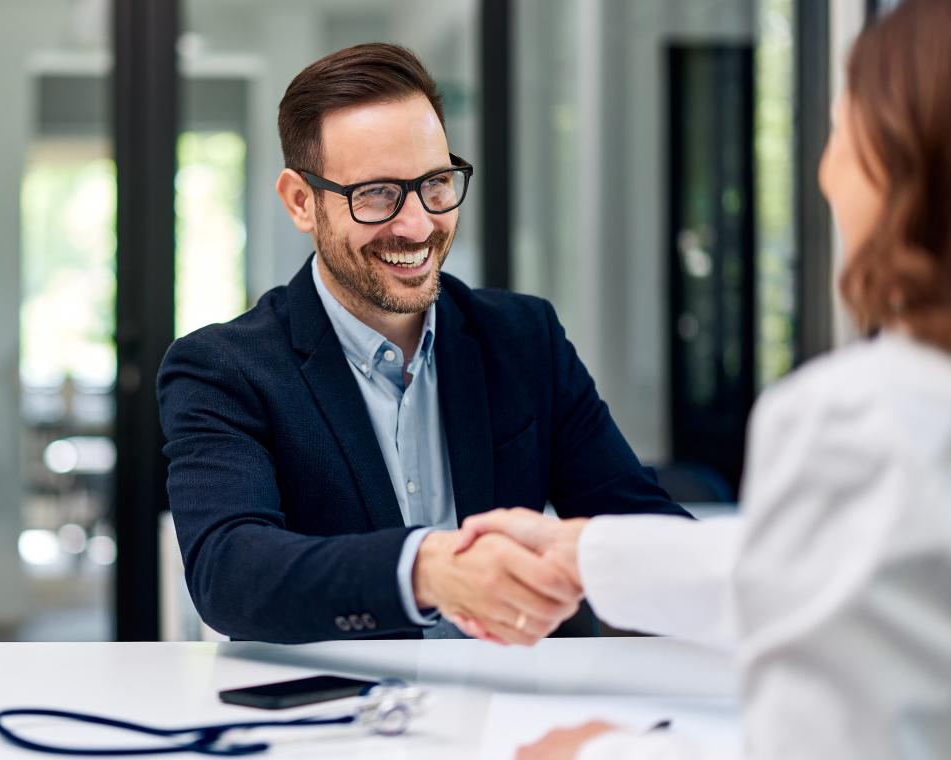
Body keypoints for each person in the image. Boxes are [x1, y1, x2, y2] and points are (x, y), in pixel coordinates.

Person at [457, 1, 951, 756]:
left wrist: (597, 751)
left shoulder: (857, 417)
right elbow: (841, 571)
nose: (823, 172)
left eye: (841, 134)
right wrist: (577, 553)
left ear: (902, 168)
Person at [156, 43, 687, 645]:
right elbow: (231, 575)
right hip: (347, 725)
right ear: (302, 201)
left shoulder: (523, 339)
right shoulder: (223, 368)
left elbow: (640, 522)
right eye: (378, 193)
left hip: (518, 718)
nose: (417, 224)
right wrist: (427, 570)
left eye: (435, 183)